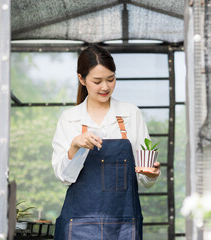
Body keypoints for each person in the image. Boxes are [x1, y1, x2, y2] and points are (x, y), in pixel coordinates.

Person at [51, 44, 161, 240]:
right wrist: (75, 146)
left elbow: (144, 178)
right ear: (81, 79)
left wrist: (150, 174)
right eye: (97, 81)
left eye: (111, 79)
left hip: (124, 225)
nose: (105, 87)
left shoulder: (130, 114)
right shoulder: (70, 119)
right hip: (79, 225)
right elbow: (64, 177)